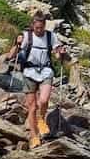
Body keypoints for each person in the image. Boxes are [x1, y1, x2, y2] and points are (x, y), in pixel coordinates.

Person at [7, 12, 68, 148]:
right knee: (32, 107)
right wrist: (16, 44)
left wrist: (61, 53)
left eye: (41, 27)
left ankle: (41, 119)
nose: (39, 30)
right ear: (32, 26)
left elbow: (57, 55)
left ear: (45, 25)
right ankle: (34, 136)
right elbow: (11, 55)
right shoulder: (26, 36)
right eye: (37, 28)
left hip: (46, 71)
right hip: (29, 72)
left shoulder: (50, 36)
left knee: (44, 100)